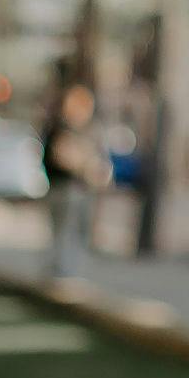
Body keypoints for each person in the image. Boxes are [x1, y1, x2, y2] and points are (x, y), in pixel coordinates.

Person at [43, 83, 107, 281]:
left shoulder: (90, 129)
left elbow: (98, 160)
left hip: (84, 189)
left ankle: (73, 271)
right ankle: (61, 271)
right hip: (64, 188)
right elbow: (60, 156)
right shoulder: (61, 126)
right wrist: (82, 163)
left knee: (81, 231)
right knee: (63, 231)